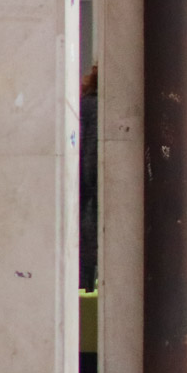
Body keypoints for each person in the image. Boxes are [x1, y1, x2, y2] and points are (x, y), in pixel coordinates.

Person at [79, 65, 98, 291]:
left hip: (82, 201)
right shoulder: (97, 108)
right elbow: (91, 167)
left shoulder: (85, 105)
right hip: (92, 203)